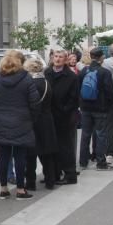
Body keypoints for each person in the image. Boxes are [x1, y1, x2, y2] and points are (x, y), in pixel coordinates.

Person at [0, 50, 41, 199]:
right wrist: (31, 119)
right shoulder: (26, 79)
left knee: (3, 156)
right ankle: (20, 189)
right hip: (22, 122)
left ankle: (3, 188)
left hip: (2, 123)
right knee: (20, 157)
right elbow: (35, 103)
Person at [44, 50, 80, 185]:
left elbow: (74, 98)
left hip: (65, 116)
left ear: (65, 60)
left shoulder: (71, 76)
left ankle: (70, 175)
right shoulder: (47, 73)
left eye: (60, 57)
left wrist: (65, 110)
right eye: (56, 56)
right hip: (49, 115)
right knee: (51, 145)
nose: (57, 59)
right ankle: (54, 173)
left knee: (65, 146)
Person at [22, 58, 57, 191]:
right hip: (47, 120)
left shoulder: (30, 84)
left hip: (33, 121)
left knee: (30, 154)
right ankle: (50, 180)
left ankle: (30, 182)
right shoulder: (46, 82)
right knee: (46, 153)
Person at [79, 48, 113, 171]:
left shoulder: (84, 70)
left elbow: (78, 88)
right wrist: (109, 106)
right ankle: (101, 162)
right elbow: (110, 92)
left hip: (85, 107)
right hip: (100, 108)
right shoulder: (105, 72)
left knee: (85, 134)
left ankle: (83, 162)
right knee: (101, 135)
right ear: (102, 57)